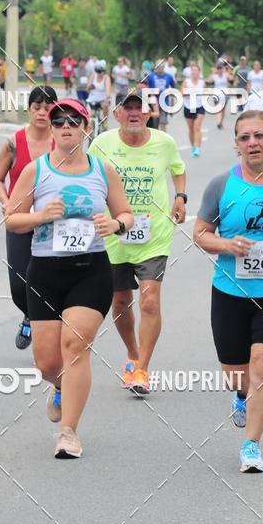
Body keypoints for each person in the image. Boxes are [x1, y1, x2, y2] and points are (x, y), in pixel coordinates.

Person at [5, 98, 133, 458]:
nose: (65, 126)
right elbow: (12, 220)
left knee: (76, 346)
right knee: (47, 362)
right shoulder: (37, 171)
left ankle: (68, 432)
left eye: (73, 121)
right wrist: (41, 217)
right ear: (52, 128)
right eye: (58, 120)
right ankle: (60, 387)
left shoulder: (102, 170)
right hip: (45, 270)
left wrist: (116, 224)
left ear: (85, 128)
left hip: (90, 269)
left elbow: (125, 213)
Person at [193, 110, 263, 473]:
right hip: (230, 292)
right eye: (244, 137)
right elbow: (200, 233)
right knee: (237, 375)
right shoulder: (222, 185)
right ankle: (240, 395)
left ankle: (251, 445)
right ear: (236, 144)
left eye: (259, 136)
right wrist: (225, 245)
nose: (252, 142)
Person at [89, 90, 186, 396]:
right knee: (120, 302)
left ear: (149, 113)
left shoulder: (164, 143)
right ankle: (132, 353)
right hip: (114, 234)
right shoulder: (102, 144)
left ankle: (142, 369)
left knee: (149, 300)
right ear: (116, 113)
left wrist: (180, 197)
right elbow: (87, 177)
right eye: (126, 107)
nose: (133, 113)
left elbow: (178, 170)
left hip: (153, 234)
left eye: (139, 108)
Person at [0, 86, 58, 349]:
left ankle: (45, 326)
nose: (42, 112)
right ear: (29, 109)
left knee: (49, 279)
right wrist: (6, 202)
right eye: (37, 107)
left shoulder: (62, 140)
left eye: (48, 107)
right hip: (20, 221)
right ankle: (30, 313)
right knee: (19, 285)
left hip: (54, 222)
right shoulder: (13, 142)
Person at [181, 63, 206, 157]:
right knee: (191, 129)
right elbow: (181, 92)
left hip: (200, 106)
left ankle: (198, 149)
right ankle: (192, 147)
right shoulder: (186, 82)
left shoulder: (202, 82)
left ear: (199, 72)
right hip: (188, 107)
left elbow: (204, 93)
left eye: (196, 70)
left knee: (197, 128)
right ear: (191, 72)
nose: (194, 72)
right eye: (193, 70)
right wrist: (190, 93)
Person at [146, 60, 176, 132]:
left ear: (164, 67)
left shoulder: (168, 76)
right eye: (158, 67)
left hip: (164, 102)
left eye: (161, 67)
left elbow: (173, 88)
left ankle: (164, 139)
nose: (160, 69)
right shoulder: (151, 76)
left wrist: (172, 104)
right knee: (155, 124)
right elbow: (146, 89)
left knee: (163, 123)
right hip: (153, 103)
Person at [87, 63, 111, 133]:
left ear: (104, 71)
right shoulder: (93, 76)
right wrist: (90, 87)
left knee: (105, 105)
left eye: (100, 72)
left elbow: (108, 90)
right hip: (92, 99)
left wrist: (107, 98)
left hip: (102, 99)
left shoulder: (106, 78)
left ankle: (105, 121)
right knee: (91, 114)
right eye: (97, 72)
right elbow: (87, 89)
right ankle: (91, 129)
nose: (99, 73)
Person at [208, 60, 231, 130]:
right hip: (217, 95)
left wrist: (226, 71)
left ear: (222, 68)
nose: (219, 70)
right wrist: (212, 72)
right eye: (218, 68)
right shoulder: (214, 76)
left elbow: (231, 78)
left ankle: (220, 122)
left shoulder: (225, 75)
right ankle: (218, 123)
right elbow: (209, 80)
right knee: (218, 109)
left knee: (223, 110)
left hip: (225, 94)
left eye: (220, 68)